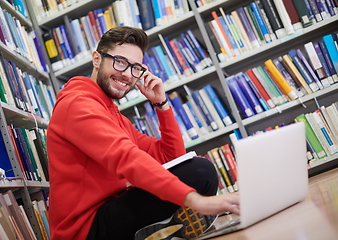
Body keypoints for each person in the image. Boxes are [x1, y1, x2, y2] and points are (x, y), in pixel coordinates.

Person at [47, 26, 240, 240]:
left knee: (200, 171)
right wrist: (194, 200)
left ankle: (161, 229)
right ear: (96, 59)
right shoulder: (77, 104)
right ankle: (163, 229)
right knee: (199, 172)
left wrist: (162, 104)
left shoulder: (112, 113)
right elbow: (125, 156)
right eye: (120, 62)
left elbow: (171, 157)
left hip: (112, 210)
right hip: (86, 230)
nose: (128, 75)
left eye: (136, 68)